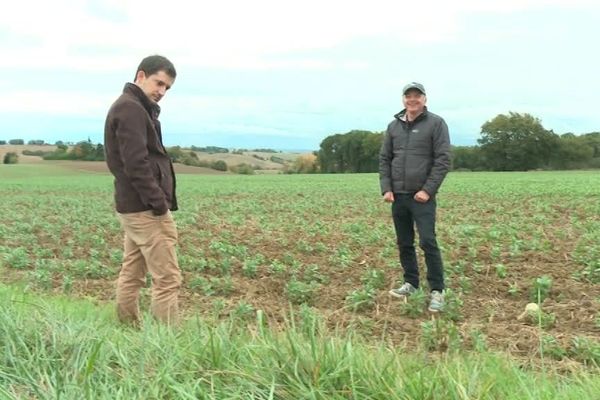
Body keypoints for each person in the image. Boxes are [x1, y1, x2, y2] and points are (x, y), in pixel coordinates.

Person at [104, 55, 181, 326]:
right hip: (145, 209)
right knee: (167, 278)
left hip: (132, 206)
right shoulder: (131, 109)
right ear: (140, 76)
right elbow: (136, 163)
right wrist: (158, 204)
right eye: (158, 83)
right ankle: (167, 342)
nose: (161, 91)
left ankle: (127, 330)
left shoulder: (133, 107)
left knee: (133, 272)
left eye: (167, 88)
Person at [379, 82, 451, 312]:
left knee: (428, 241)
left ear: (424, 99)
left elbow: (443, 160)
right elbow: (385, 159)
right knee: (404, 242)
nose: (412, 100)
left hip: (422, 197)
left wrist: (427, 190)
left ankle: (437, 291)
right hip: (398, 196)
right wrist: (386, 188)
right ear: (403, 100)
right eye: (408, 96)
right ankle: (411, 283)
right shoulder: (393, 127)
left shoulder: (436, 124)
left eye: (416, 96)